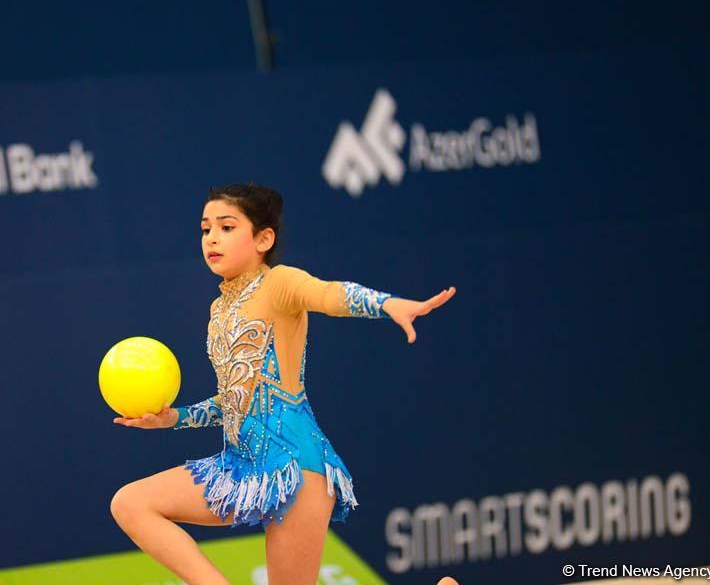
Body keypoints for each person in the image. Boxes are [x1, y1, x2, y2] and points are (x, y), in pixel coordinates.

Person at [110, 183, 456, 585]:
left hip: (295, 468)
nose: (212, 238)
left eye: (226, 227)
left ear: (264, 239)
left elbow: (329, 294)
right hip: (239, 464)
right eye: (206, 229)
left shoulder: (278, 284)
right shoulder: (219, 310)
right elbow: (234, 400)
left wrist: (388, 304)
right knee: (131, 503)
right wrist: (174, 418)